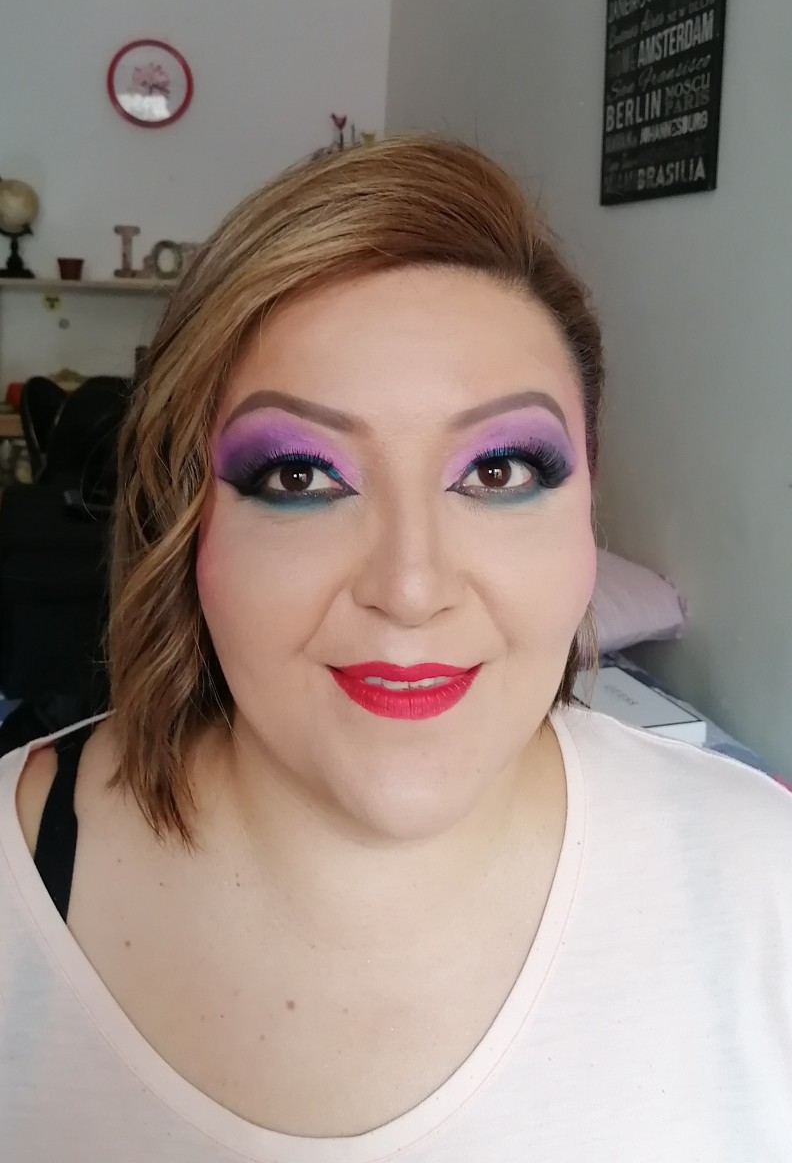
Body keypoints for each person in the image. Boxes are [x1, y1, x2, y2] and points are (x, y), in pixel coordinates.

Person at [1, 136, 790, 1160]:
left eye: (499, 471)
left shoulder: (762, 878)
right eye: (299, 476)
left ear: (588, 505)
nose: (410, 589)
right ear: (187, 519)